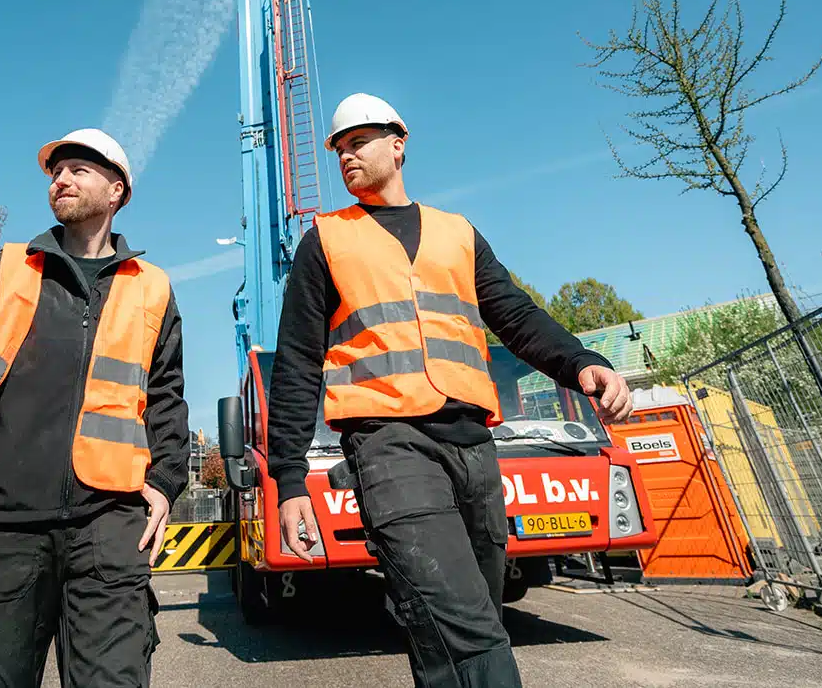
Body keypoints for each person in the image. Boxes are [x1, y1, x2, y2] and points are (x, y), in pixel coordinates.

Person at [266, 94, 634, 688]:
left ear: (398, 143)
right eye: (340, 148)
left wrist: (580, 362)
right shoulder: (326, 241)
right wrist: (288, 479)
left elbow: (514, 315)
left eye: (359, 141)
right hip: (389, 448)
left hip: (474, 450)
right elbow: (298, 362)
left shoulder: (457, 234)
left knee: (462, 620)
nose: (347, 156)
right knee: (465, 623)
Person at [0, 127, 189, 688]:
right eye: (57, 171)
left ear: (118, 190)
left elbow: (167, 398)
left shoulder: (154, 288)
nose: (62, 178)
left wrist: (167, 480)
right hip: (5, 524)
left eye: (79, 169)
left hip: (110, 524)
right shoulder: (10, 269)